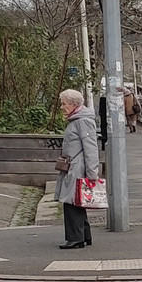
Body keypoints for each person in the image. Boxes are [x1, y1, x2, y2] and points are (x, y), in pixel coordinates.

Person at [55, 88, 101, 250]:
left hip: (77, 167)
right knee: (76, 202)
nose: (62, 107)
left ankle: (75, 238)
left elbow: (91, 148)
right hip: (75, 166)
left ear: (74, 104)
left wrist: (92, 173)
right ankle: (83, 236)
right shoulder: (78, 120)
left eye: (64, 104)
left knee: (72, 202)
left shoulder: (82, 121)